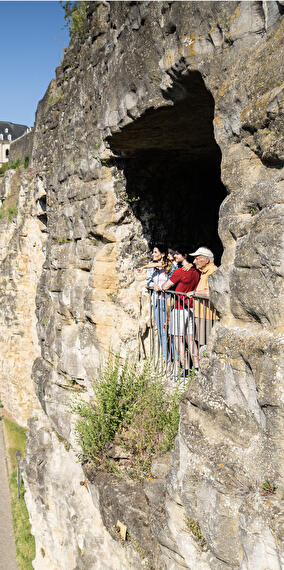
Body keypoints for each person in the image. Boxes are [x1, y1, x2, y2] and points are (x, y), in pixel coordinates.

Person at [157, 250, 200, 373]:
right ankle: (196, 367)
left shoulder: (180, 272)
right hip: (190, 308)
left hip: (179, 308)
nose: (175, 256)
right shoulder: (195, 271)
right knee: (190, 339)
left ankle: (185, 368)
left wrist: (158, 287)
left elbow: (165, 286)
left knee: (177, 339)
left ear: (185, 255)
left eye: (177, 253)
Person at [188, 247, 218, 365]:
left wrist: (195, 293)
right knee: (202, 344)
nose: (194, 262)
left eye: (197, 258)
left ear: (206, 260)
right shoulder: (204, 272)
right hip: (202, 315)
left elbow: (213, 293)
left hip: (208, 316)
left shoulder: (212, 271)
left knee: (206, 346)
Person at [146, 245, 168, 360]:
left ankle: (176, 358)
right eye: (153, 252)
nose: (153, 254)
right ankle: (166, 358)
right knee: (161, 329)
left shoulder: (168, 265)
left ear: (163, 254)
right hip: (158, 301)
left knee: (171, 330)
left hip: (169, 300)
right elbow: (148, 280)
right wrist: (153, 285)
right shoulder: (151, 266)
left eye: (156, 252)